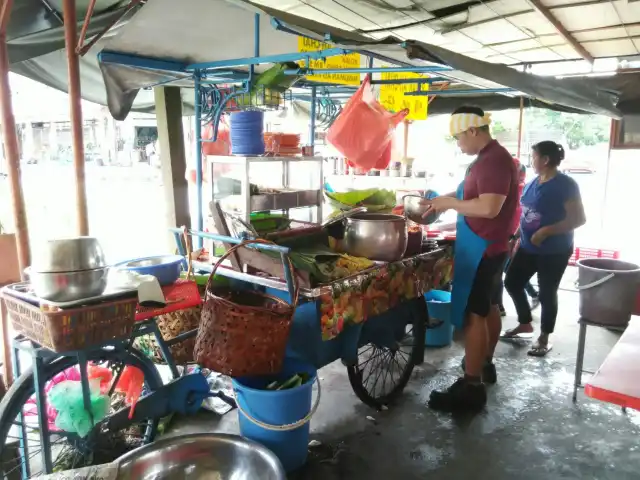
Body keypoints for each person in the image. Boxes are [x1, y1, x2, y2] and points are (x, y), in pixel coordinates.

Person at [424, 106, 518, 413]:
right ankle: (485, 363)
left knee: (474, 315)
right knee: (489, 306)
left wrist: (450, 203)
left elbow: (489, 208)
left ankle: (471, 385)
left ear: (473, 131)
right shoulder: (487, 160)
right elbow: (473, 194)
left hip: (484, 249)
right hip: (490, 246)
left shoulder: (494, 161)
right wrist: (443, 201)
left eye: (459, 137)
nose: (458, 143)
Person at [504, 141, 586, 356]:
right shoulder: (535, 181)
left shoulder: (565, 184)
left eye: (534, 157)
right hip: (528, 247)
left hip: (554, 251)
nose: (531, 161)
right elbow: (526, 214)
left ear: (546, 160)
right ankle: (524, 323)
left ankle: (544, 336)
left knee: (547, 292)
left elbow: (578, 219)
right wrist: (515, 237)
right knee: (512, 281)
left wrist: (546, 231)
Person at [497, 157, 539, 316]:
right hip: (512, 236)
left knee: (503, 270)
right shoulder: (520, 188)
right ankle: (533, 296)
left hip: (513, 236)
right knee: (507, 269)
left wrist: (516, 238)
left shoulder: (520, 189)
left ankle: (499, 306)